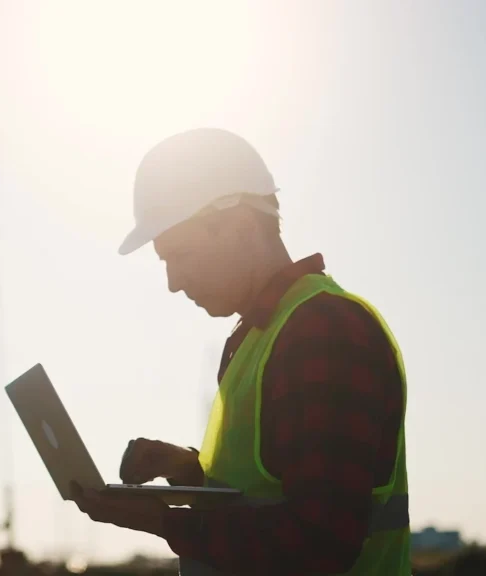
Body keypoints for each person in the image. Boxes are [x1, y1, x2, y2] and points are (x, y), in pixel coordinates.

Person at [70, 128, 410, 575]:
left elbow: (321, 542)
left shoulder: (322, 331)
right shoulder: (262, 336)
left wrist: (164, 522)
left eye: (182, 254)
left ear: (242, 224)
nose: (173, 282)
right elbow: (272, 493)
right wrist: (189, 470)